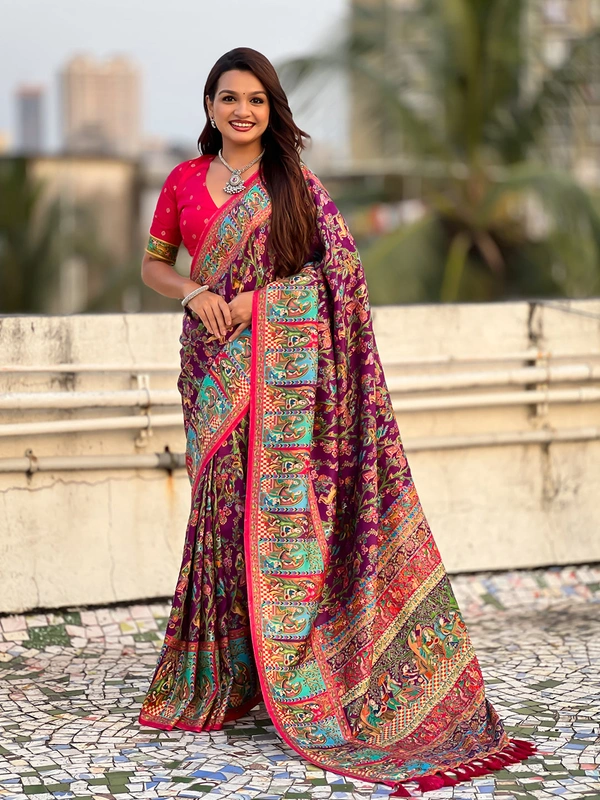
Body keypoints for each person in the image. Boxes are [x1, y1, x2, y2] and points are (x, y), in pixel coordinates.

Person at [139, 47, 535, 797]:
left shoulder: (296, 185)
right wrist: (193, 292)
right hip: (211, 370)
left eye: (256, 99)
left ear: (271, 109)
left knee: (284, 519)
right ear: (210, 105)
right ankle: (225, 677)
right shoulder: (183, 181)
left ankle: (295, 665)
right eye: (230, 98)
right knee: (221, 517)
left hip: (288, 382)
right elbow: (153, 264)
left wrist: (257, 302)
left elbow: (340, 276)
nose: (242, 111)